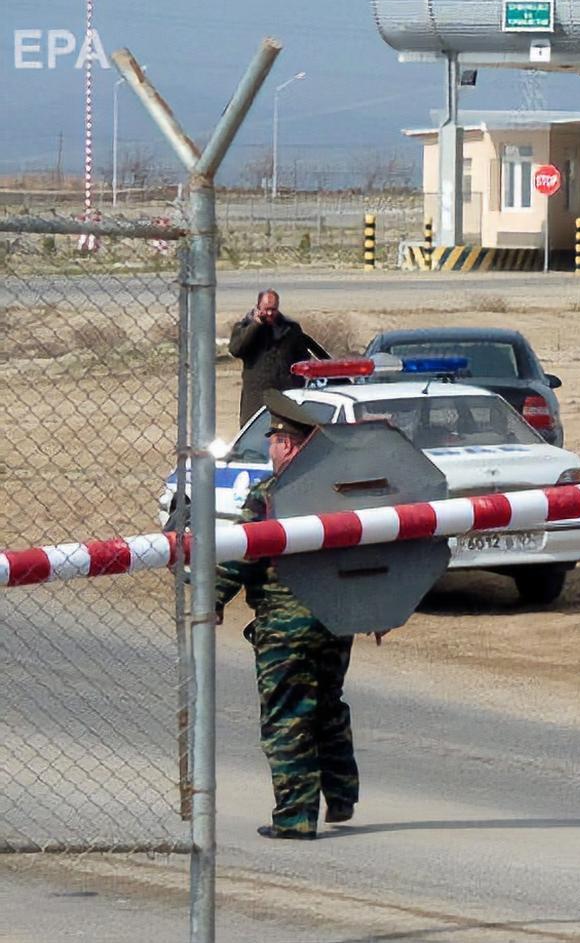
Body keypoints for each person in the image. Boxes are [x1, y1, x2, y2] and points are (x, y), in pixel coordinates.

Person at [215, 390, 359, 839]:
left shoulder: (271, 493)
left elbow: (243, 552)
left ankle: (296, 817)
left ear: (289, 445)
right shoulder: (340, 490)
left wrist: (210, 596)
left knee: (289, 715)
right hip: (336, 617)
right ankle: (341, 795)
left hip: (286, 624)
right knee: (328, 705)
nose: (271, 448)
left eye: (274, 441)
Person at [229, 289, 328, 426]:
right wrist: (255, 326)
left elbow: (302, 358)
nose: (270, 313)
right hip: (256, 399)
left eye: (273, 309)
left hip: (286, 395)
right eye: (266, 309)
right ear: (258, 308)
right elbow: (236, 349)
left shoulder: (290, 329)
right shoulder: (244, 327)